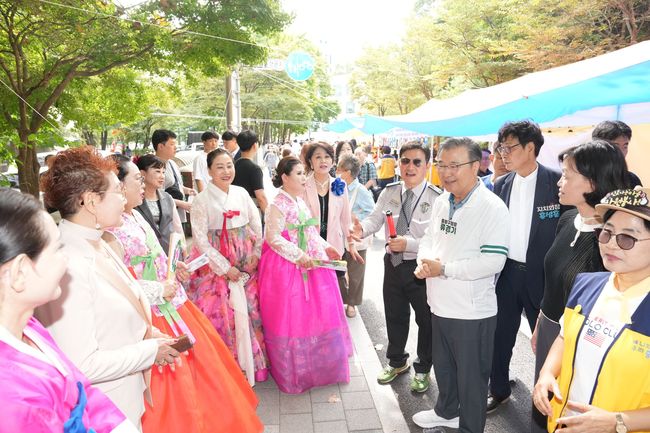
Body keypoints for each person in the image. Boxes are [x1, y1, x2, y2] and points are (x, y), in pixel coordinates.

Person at [105, 155, 263, 433]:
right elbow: (119, 284)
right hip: (154, 313)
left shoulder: (134, 215)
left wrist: (173, 268)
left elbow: (155, 255)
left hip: (173, 302)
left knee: (203, 369)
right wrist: (158, 288)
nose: (142, 185)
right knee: (177, 382)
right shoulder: (109, 234)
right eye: (137, 179)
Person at [36, 147, 179, 429]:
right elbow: (82, 363)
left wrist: (147, 335)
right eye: (117, 191)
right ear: (91, 201)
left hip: (123, 401)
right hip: (101, 411)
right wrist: (149, 351)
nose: (124, 198)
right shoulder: (68, 265)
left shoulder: (99, 242)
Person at [0, 188, 138, 433]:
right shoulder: (12, 398)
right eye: (57, 248)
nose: (65, 259)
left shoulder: (29, 327)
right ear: (20, 272)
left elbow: (80, 390)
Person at [530, 141, 630, 433]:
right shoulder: (567, 219)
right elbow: (554, 279)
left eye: (566, 175)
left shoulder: (611, 243)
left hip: (584, 338)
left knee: (572, 411)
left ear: (592, 182)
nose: (559, 182)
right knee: (543, 403)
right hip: (552, 329)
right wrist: (541, 320)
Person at [412, 137, 509, 432]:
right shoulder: (443, 200)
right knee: (444, 368)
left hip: (471, 311)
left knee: (471, 379)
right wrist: (424, 261)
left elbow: (493, 262)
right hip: (439, 302)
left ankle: (470, 426)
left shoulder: (492, 207)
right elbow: (429, 237)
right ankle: (446, 411)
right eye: (442, 165)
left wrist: (445, 269)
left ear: (476, 165)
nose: (446, 172)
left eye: (454, 165)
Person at [533, 186, 650, 433]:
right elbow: (565, 337)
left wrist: (618, 422)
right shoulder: (587, 284)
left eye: (627, 238)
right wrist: (546, 373)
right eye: (606, 233)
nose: (611, 245)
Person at [352, 142, 442, 393]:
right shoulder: (389, 191)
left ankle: (423, 368)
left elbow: (438, 241)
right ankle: (397, 361)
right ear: (398, 164)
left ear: (427, 166)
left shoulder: (437, 199)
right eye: (405, 161)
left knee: (426, 320)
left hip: (421, 268)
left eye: (417, 162)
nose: (410, 167)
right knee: (395, 315)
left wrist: (409, 243)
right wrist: (361, 229)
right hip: (392, 264)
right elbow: (374, 219)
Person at [258, 156, 352, 394]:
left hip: (312, 262)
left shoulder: (299, 201)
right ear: (285, 177)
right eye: (299, 174)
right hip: (287, 268)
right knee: (295, 318)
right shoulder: (277, 203)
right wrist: (298, 255)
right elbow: (272, 237)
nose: (304, 178)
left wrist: (326, 246)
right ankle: (297, 369)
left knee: (317, 315)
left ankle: (320, 363)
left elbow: (310, 231)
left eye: (303, 173)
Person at [488, 120, 564, 413]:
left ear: (530, 147)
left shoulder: (556, 183)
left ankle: (549, 401)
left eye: (509, 147)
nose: (503, 154)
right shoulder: (501, 184)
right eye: (501, 148)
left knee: (546, 344)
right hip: (507, 273)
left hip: (542, 277)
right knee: (500, 336)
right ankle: (499, 389)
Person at [188, 148, 269, 383]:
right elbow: (200, 239)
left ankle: (255, 364)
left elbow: (256, 224)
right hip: (217, 263)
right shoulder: (201, 200)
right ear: (209, 171)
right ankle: (231, 368)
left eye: (229, 166)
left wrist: (256, 253)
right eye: (219, 167)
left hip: (247, 261)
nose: (226, 171)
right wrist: (225, 268)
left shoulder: (241, 193)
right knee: (225, 313)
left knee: (252, 310)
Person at [301, 141, 361, 265]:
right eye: (318, 157)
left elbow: (345, 219)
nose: (323, 161)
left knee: (335, 277)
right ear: (310, 162)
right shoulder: (303, 186)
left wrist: (351, 243)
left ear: (333, 161)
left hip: (335, 248)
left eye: (327, 156)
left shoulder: (340, 184)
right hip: (310, 248)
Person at [336, 155, 375, 318]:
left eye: (339, 169)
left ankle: (351, 303)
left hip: (356, 237)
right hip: (338, 235)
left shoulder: (361, 191)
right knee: (338, 269)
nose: (337, 172)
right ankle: (341, 299)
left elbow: (373, 214)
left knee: (356, 272)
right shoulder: (337, 186)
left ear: (348, 172)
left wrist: (354, 217)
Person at [134, 154, 184, 254]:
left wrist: (183, 249)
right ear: (142, 173)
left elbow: (178, 228)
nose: (162, 176)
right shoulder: (135, 200)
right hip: (147, 255)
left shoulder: (167, 198)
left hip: (171, 253)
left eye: (163, 172)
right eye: (157, 171)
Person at [152, 129, 195, 223]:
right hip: (165, 218)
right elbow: (157, 195)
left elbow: (176, 185)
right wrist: (182, 204)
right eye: (172, 144)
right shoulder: (153, 167)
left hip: (178, 214)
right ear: (160, 146)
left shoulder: (172, 163)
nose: (175, 147)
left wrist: (188, 190)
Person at [592, 120, 642, 187]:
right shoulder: (586, 178)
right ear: (598, 147)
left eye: (625, 146)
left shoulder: (632, 179)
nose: (621, 152)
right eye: (615, 146)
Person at [233, 129, 269, 214]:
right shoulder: (255, 169)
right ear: (255, 145)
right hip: (250, 211)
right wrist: (268, 216)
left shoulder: (234, 164)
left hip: (235, 208)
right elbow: (261, 198)